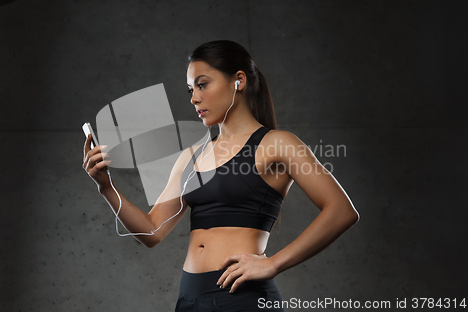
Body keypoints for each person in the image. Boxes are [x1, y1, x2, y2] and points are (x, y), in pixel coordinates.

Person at [82, 40, 359, 311]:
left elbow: (342, 210)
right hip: (190, 299)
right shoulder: (191, 156)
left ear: (239, 80)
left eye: (202, 84)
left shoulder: (277, 144)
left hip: (242, 299)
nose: (194, 98)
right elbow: (152, 230)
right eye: (190, 89)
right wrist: (106, 187)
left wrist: (273, 263)